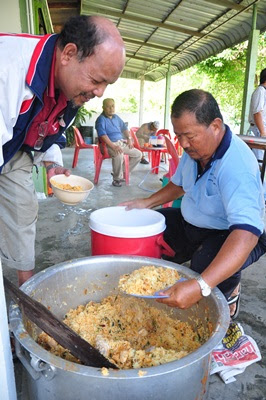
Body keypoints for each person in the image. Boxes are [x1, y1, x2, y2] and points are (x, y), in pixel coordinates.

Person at [0, 15, 125, 286]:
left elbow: (52, 130)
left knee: (23, 208)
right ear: (69, 53)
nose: (100, 93)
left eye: (107, 85)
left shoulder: (74, 87)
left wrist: (52, 163)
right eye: (97, 80)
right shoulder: (8, 68)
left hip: (13, 151)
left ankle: (26, 284)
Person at [121, 89, 266, 319]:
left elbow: (246, 234)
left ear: (216, 126)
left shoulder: (237, 166)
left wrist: (201, 285)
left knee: (205, 268)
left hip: (233, 234)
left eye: (189, 136)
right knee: (151, 229)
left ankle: (229, 291)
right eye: (178, 136)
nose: (183, 144)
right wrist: (147, 203)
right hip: (194, 222)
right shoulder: (196, 150)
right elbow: (179, 185)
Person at [95, 98, 142, 187]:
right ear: (103, 108)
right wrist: (113, 146)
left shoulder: (116, 117)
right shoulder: (101, 119)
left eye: (113, 106)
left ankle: (121, 172)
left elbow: (124, 128)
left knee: (138, 154)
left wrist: (128, 138)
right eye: (108, 107)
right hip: (108, 145)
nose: (111, 108)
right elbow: (103, 135)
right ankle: (116, 179)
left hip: (121, 142)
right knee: (119, 154)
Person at [247, 68, 266, 161]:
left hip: (261, 131)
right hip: (258, 131)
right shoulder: (260, 91)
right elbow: (257, 113)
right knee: (258, 162)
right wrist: (263, 133)